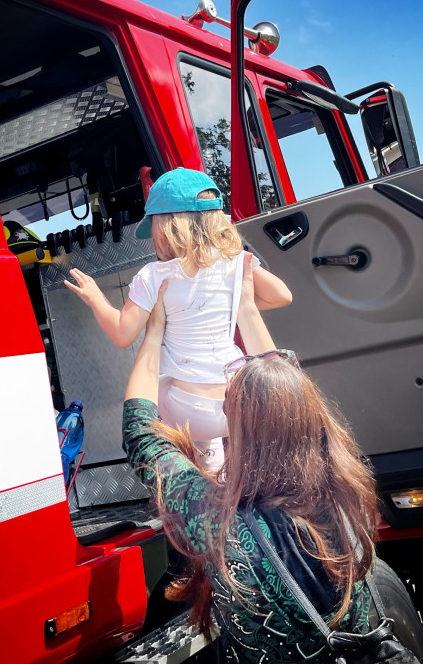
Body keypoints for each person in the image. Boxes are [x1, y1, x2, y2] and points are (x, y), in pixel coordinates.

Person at [122, 254, 380, 663]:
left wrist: (153, 336)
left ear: (237, 432)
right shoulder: (340, 488)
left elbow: (141, 433)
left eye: (226, 409)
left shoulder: (222, 525)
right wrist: (243, 306)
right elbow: (290, 393)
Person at [66, 168, 291, 470]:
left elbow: (123, 334)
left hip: (186, 410)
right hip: (237, 402)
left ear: (165, 225)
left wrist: (95, 297)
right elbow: (282, 296)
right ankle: (217, 460)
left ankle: (199, 463)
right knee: (219, 399)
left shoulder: (153, 276)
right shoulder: (236, 262)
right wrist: (234, 300)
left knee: (158, 384)